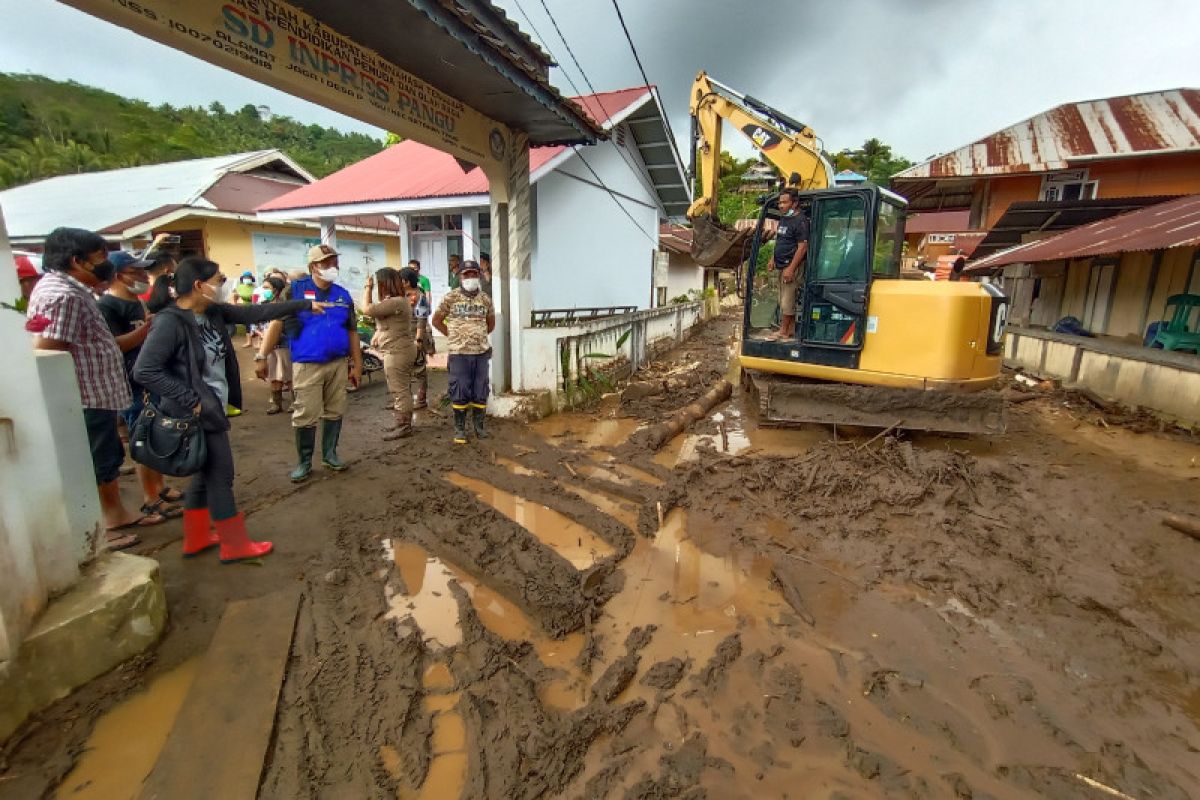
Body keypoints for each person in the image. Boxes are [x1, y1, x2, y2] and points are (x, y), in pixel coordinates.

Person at [133, 257, 325, 562]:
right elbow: (145, 370)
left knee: (204, 476)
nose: (225, 286)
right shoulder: (170, 322)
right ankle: (234, 545)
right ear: (199, 285)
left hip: (212, 406)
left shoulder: (212, 312)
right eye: (220, 280)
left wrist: (300, 305)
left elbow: (254, 312)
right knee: (221, 476)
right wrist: (190, 399)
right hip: (195, 412)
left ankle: (196, 538)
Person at [27, 227, 162, 548]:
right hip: (82, 399)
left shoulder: (72, 292)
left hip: (95, 395)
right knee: (94, 460)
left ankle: (116, 514)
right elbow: (47, 352)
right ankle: (100, 529)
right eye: (101, 257)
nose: (107, 265)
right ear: (78, 261)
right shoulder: (62, 296)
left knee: (107, 456)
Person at [258, 244, 362, 482]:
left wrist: (357, 364)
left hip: (337, 363)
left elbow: (352, 331)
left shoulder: (343, 295)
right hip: (307, 364)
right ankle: (304, 461)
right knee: (305, 413)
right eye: (326, 263)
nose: (332, 266)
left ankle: (330, 454)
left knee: (335, 410)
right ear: (313, 267)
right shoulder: (294, 291)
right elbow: (276, 323)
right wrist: (262, 356)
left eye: (334, 261)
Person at [98, 251, 185, 521]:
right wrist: (148, 329)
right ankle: (150, 498)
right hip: (131, 382)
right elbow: (114, 345)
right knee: (143, 439)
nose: (142, 277)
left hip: (152, 380)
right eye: (135, 272)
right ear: (119, 275)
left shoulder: (136, 302)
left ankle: (158, 487)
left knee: (156, 436)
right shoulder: (108, 307)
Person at [432, 260, 494, 444]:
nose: (470, 277)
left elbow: (490, 323)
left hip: (481, 352)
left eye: (474, 273)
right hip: (459, 353)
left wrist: (478, 335)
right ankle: (459, 429)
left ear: (479, 275)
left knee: (480, 389)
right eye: (466, 274)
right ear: (460, 277)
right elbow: (436, 320)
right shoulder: (450, 298)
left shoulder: (485, 299)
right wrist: (453, 336)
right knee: (459, 388)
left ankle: (479, 427)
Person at [361, 268, 416, 439]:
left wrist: (367, 288)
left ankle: (404, 426)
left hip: (398, 351)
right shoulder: (395, 301)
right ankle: (401, 423)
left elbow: (367, 310)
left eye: (379, 284)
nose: (377, 287)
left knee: (399, 390)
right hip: (397, 350)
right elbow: (382, 322)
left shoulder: (397, 302)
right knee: (399, 388)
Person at [253, 275, 294, 414]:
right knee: (273, 376)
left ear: (276, 290)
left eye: (266, 288)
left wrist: (274, 335)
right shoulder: (263, 305)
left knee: (289, 376)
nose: (263, 290)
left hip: (283, 346)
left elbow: (287, 327)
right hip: (268, 347)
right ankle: (276, 403)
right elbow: (257, 324)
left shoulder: (283, 306)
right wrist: (261, 334)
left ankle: (296, 402)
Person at [772, 188, 809, 340]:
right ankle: (791, 329)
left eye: (784, 202)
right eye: (780, 202)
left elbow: (803, 247)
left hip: (791, 267)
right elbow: (782, 241)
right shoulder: (785, 219)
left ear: (794, 203)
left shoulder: (800, 221)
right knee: (782, 299)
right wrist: (773, 259)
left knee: (788, 300)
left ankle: (783, 331)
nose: (781, 205)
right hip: (782, 265)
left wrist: (791, 268)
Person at [400, 267, 432, 410]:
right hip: (404, 337)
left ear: (406, 282)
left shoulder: (420, 297)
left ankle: (421, 399)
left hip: (415, 337)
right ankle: (402, 399)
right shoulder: (401, 295)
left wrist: (418, 340)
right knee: (403, 370)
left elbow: (422, 320)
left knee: (419, 369)